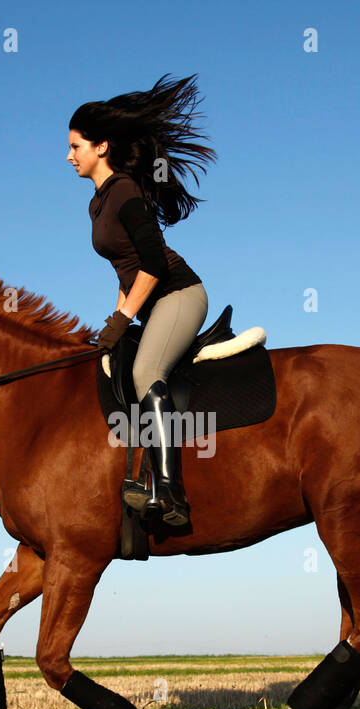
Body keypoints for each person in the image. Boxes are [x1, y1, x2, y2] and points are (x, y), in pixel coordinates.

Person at [68, 73, 216, 527]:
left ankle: (171, 494)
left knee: (145, 371)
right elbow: (125, 267)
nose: (69, 155)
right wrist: (115, 319)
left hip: (180, 293)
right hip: (150, 301)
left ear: (101, 147)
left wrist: (125, 316)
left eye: (76, 146)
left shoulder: (125, 191)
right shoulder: (98, 203)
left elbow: (152, 263)